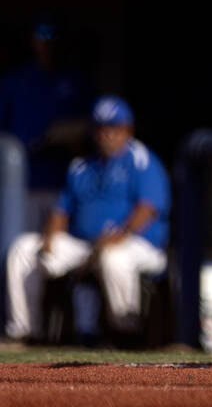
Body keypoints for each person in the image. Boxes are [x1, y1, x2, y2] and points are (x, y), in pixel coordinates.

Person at [4, 96, 170, 343]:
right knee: (23, 249)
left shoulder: (141, 159)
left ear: (127, 130)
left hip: (137, 244)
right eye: (101, 128)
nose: (107, 134)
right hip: (86, 244)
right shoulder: (81, 166)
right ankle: (25, 331)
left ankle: (127, 332)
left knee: (114, 257)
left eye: (113, 128)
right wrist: (50, 236)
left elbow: (148, 209)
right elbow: (61, 210)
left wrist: (119, 235)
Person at [0, 21, 92, 229]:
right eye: (41, 39)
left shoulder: (74, 80)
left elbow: (92, 126)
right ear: (32, 42)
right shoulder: (15, 80)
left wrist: (65, 134)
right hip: (22, 181)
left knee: (57, 250)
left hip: (63, 181)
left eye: (51, 40)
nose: (46, 46)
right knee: (19, 246)